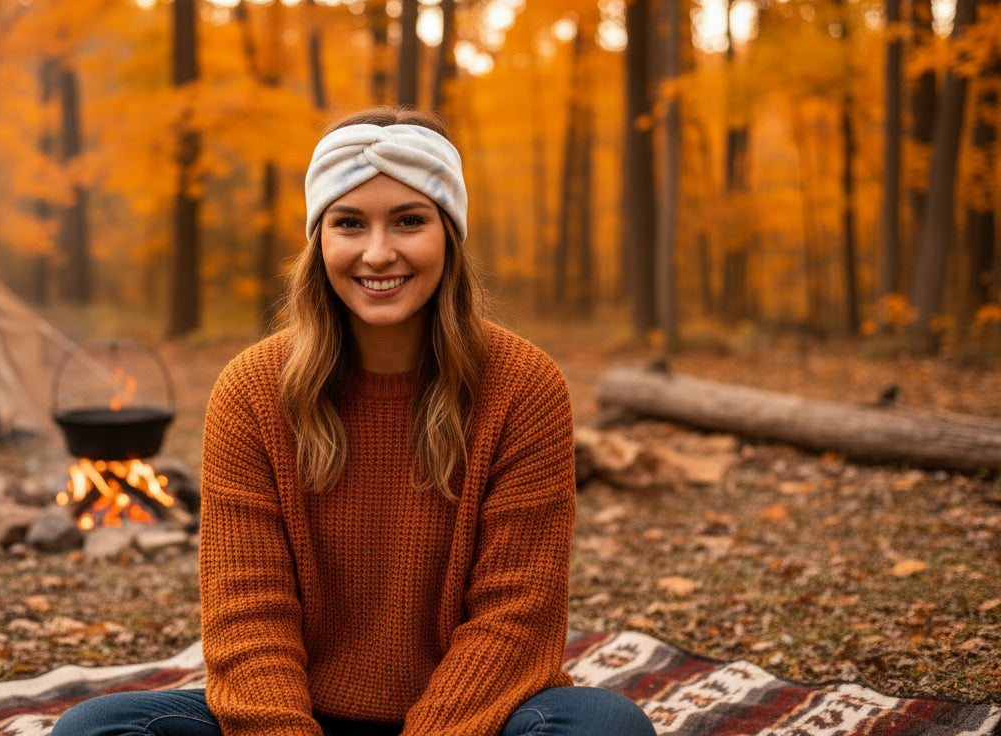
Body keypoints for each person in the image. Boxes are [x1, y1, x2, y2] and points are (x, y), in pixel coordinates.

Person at [51, 108, 655, 736]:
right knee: (93, 728)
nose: (378, 252)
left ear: (449, 234)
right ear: (320, 241)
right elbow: (248, 613)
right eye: (348, 223)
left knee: (609, 725)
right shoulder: (252, 390)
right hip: (300, 713)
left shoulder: (524, 386)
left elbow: (515, 616)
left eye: (409, 221)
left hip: (477, 718)